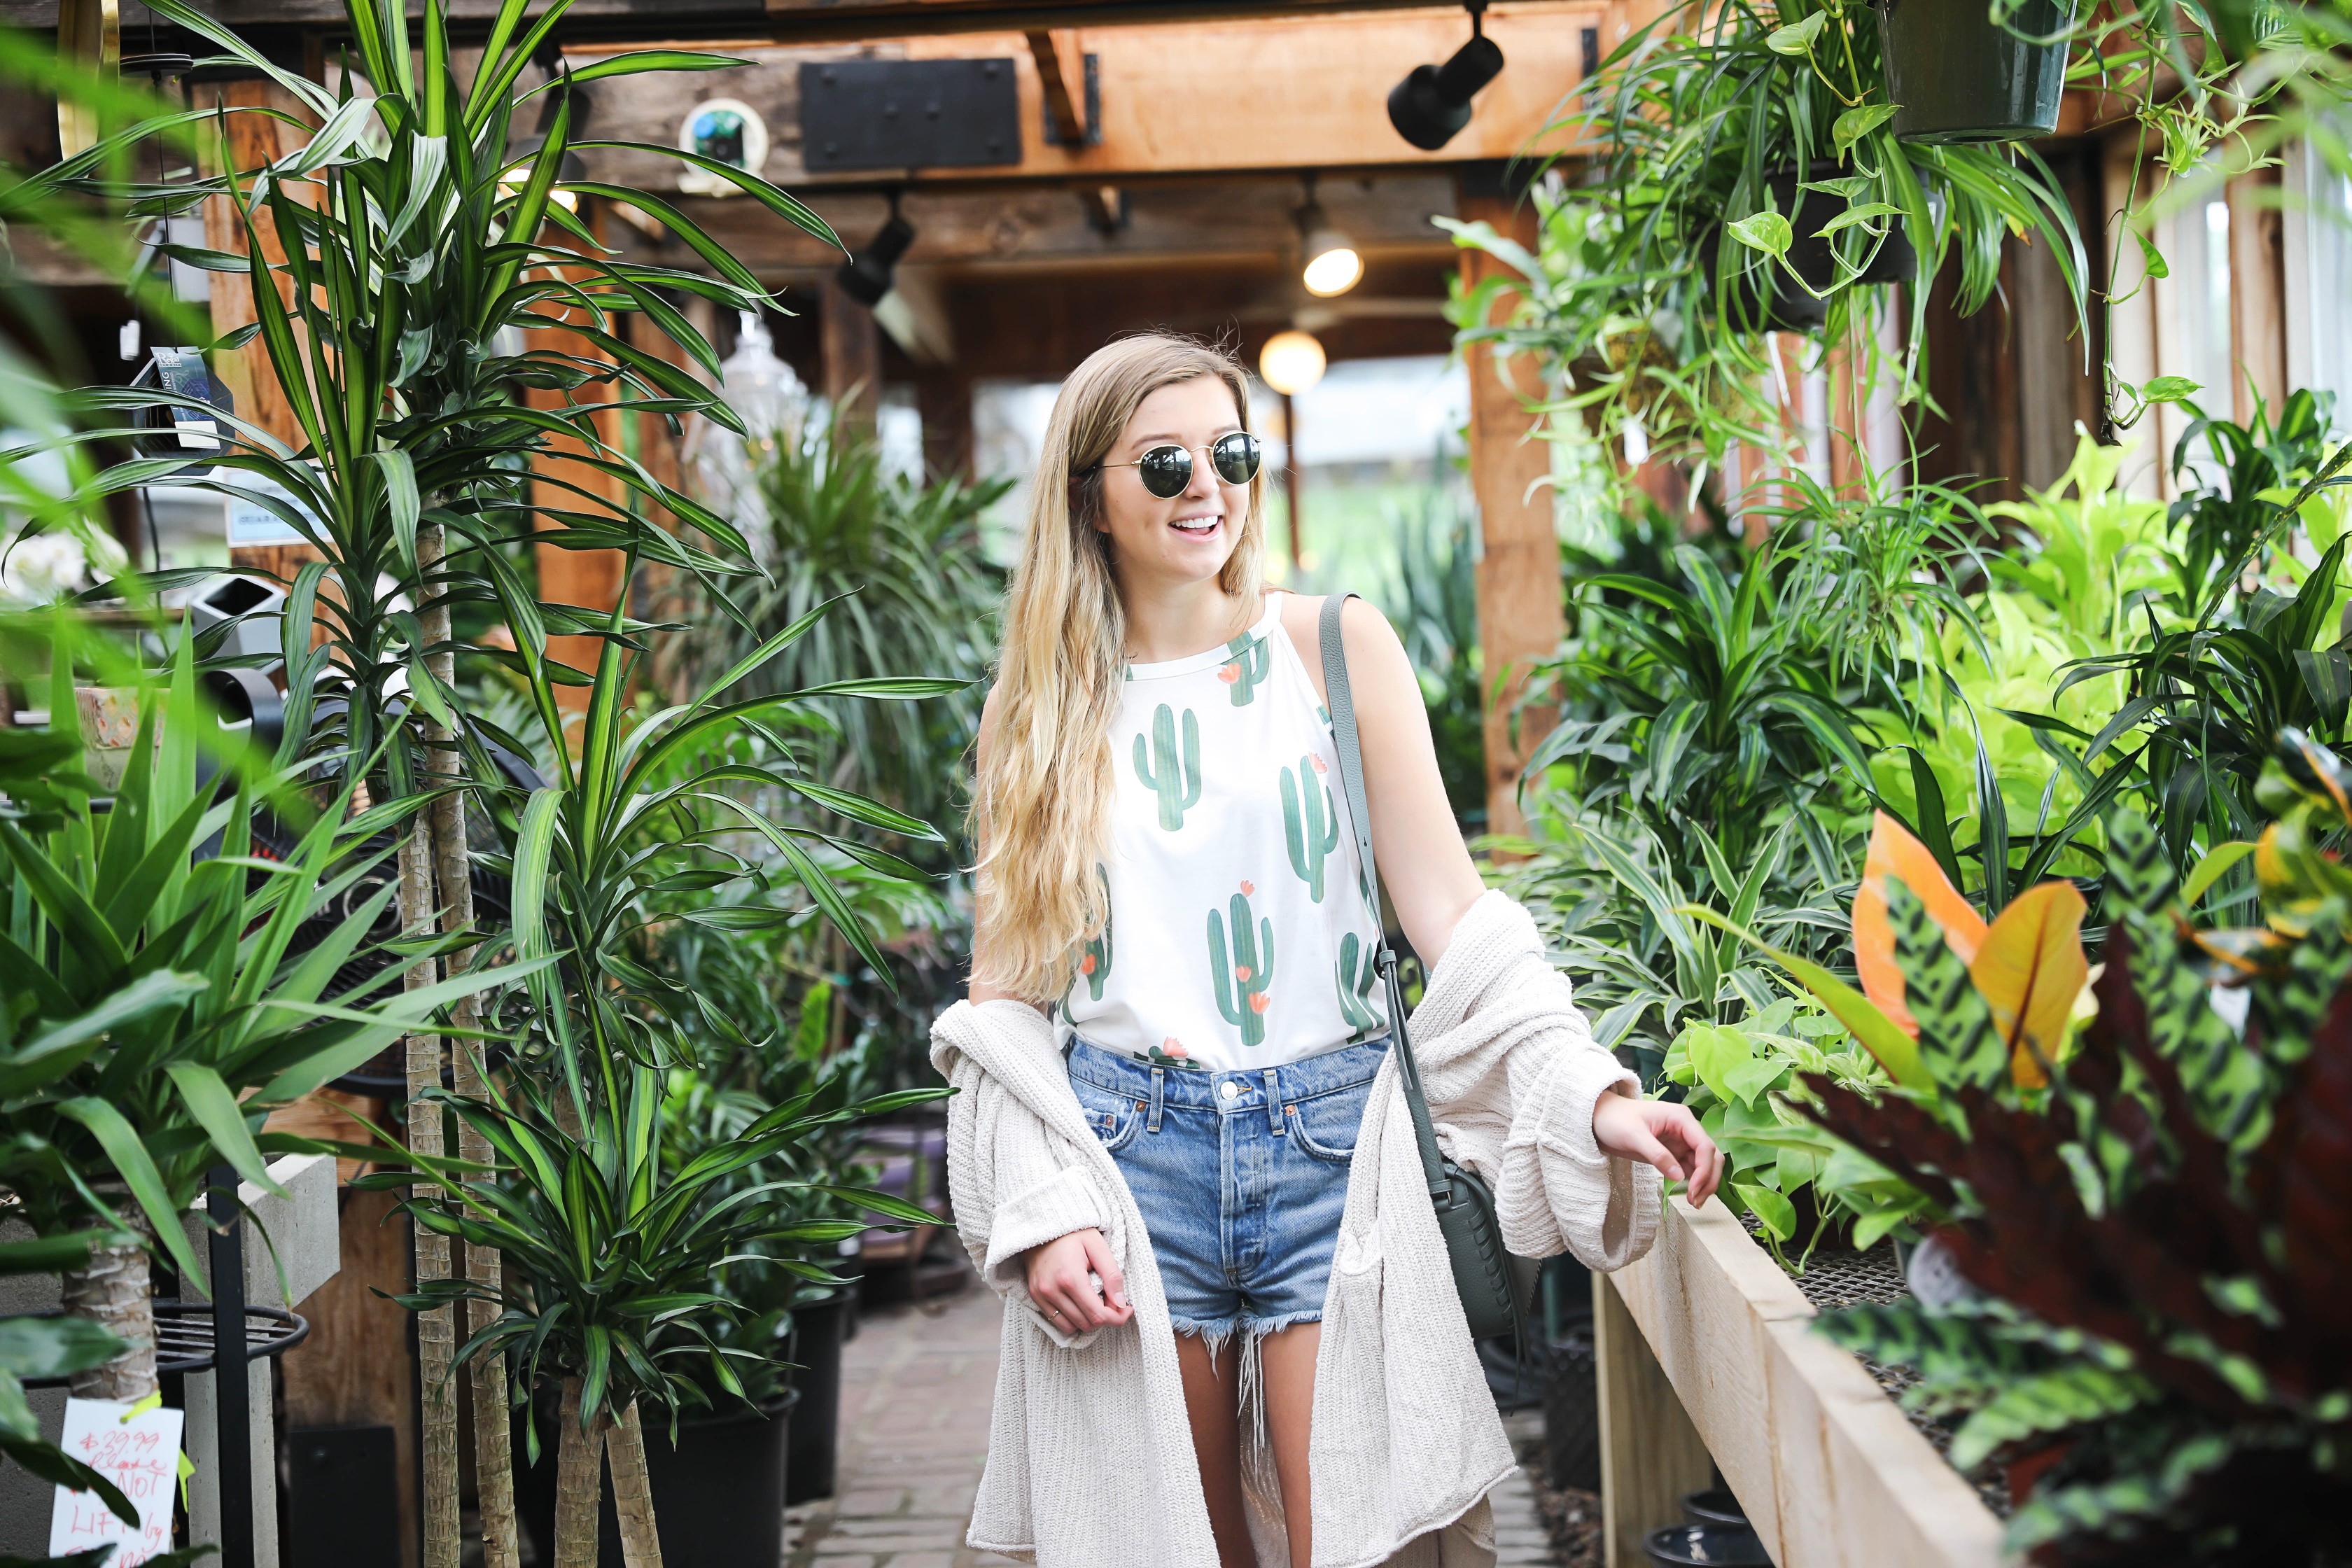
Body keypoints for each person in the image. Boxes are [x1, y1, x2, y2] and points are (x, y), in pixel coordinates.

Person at [931, 333, 1723, 1568]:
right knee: (1175, 1546)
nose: (1209, 485)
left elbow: (1452, 916)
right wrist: (1039, 1212)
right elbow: (1005, 997)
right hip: (1130, 1159)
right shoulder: (1037, 705)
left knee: (1359, 1538)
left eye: (1232, 453)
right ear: (1089, 494)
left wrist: (1589, 1091)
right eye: (1166, 463)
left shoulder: (1334, 649)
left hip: (1333, 1146)